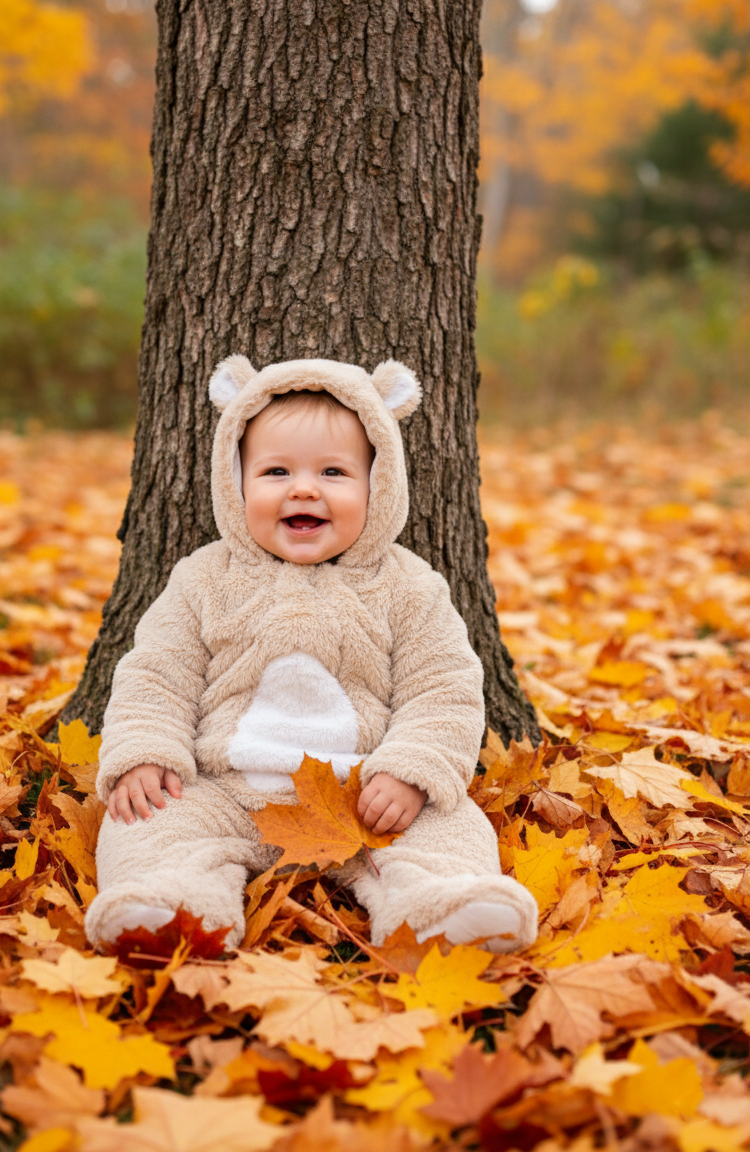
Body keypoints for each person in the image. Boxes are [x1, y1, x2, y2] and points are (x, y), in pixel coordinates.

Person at [86, 356, 538, 952]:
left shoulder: (408, 586)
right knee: (145, 824)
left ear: (377, 484)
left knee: (449, 828)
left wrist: (411, 770)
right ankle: (173, 903)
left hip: (368, 801)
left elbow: (444, 686)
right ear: (235, 482)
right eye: (275, 471)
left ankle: (440, 907)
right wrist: (146, 753)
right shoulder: (204, 580)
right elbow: (156, 674)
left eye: (333, 472)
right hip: (225, 795)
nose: (304, 488)